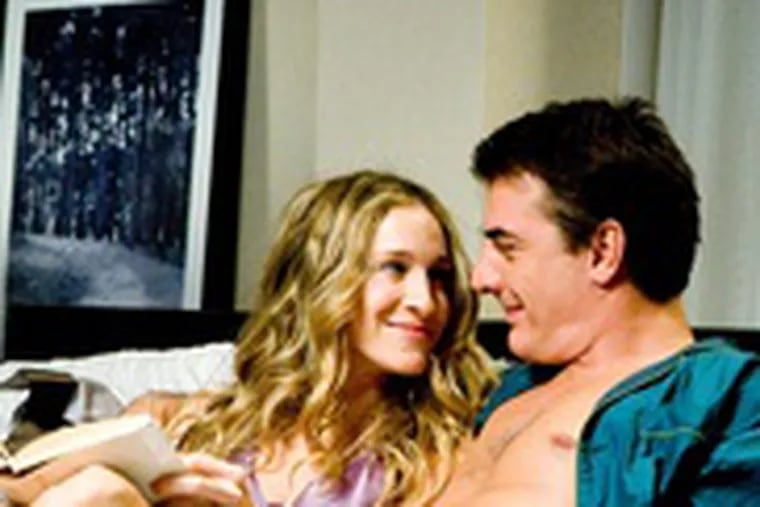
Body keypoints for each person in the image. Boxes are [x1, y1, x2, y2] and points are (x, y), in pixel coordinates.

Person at [1, 170, 496, 506]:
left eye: (438, 276)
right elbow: (20, 491)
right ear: (321, 280)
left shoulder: (433, 461)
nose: (426, 301)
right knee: (95, 490)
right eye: (395, 268)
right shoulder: (186, 421)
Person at [437, 97, 760, 505]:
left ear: (603, 252)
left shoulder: (730, 402)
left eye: (509, 249)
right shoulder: (501, 389)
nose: (481, 279)